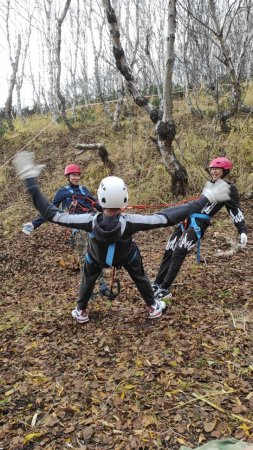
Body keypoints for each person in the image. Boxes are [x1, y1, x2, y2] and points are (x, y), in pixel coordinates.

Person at [13, 151, 231, 323]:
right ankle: (153, 306)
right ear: (125, 198)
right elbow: (167, 217)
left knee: (88, 275)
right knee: (139, 272)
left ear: (100, 197)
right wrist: (207, 197)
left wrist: (30, 181)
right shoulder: (132, 221)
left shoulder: (89, 220)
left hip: (97, 258)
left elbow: (51, 213)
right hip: (126, 256)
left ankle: (80, 310)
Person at [152, 157, 248, 300]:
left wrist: (242, 230)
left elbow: (235, 210)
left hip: (199, 224)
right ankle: (157, 283)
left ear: (225, 171)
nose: (214, 171)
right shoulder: (209, 185)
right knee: (169, 249)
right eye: (212, 169)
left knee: (179, 251)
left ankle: (165, 288)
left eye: (217, 169)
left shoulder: (229, 188)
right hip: (186, 219)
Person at [22, 163, 109, 296]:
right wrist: (34, 224)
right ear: (68, 177)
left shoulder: (84, 190)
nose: (76, 177)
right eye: (74, 175)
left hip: (92, 224)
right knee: (84, 258)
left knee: (97, 254)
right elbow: (49, 210)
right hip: (78, 227)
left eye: (78, 175)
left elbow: (96, 204)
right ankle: (87, 291)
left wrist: (112, 210)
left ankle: (103, 286)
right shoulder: (62, 192)